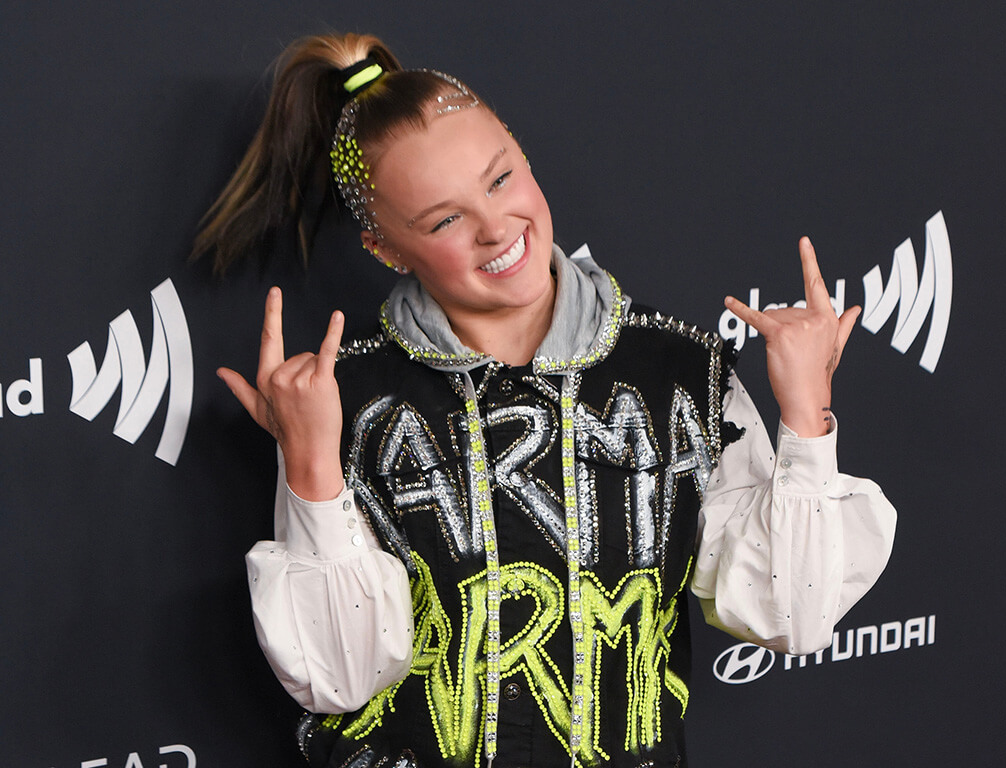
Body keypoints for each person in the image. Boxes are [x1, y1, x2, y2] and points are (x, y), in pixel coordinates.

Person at [199, 33, 897, 768]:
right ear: (384, 247)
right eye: (444, 220)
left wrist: (807, 419)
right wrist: (310, 467)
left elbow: (791, 613)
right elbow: (338, 679)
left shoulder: (684, 373)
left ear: (524, 157)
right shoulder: (343, 405)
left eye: (500, 180)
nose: (496, 230)